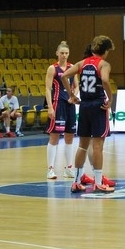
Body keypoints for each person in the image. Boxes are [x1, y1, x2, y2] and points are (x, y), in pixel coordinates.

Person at [62, 35, 116, 194]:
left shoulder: (82, 63)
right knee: (98, 146)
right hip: (98, 106)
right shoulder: (103, 64)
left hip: (84, 106)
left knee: (82, 146)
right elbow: (105, 81)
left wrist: (71, 95)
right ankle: (98, 183)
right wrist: (110, 99)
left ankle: (76, 182)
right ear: (105, 51)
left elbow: (64, 76)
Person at [44, 40, 77, 180]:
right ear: (57, 53)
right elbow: (47, 88)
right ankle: (50, 169)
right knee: (55, 136)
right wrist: (50, 106)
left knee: (69, 136)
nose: (64, 55)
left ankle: (69, 168)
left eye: (66, 53)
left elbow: (76, 85)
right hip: (58, 104)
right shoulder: (52, 68)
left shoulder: (73, 67)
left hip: (70, 104)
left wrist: (74, 97)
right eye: (62, 53)